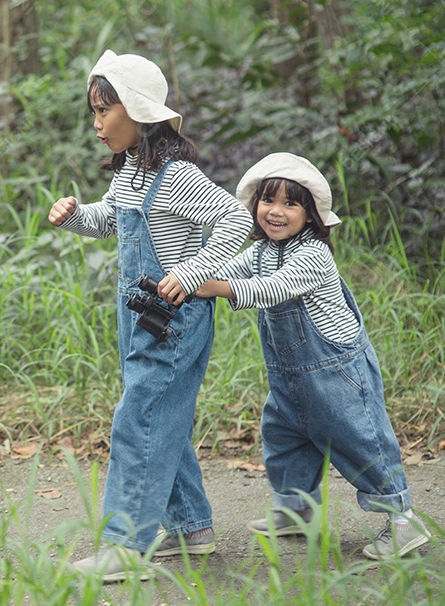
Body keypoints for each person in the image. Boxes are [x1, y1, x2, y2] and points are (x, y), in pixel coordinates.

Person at [49, 50, 252, 582]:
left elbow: (235, 218)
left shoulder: (177, 174)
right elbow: (109, 221)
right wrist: (75, 217)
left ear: (137, 112)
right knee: (162, 416)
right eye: (92, 112)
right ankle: (190, 528)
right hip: (139, 315)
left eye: (104, 111)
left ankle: (123, 545)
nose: (96, 123)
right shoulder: (134, 172)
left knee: (138, 418)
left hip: (173, 319)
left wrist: (193, 271)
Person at [197, 152, 431, 560]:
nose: (276, 211)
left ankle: (402, 518)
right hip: (290, 377)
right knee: (283, 438)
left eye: (291, 203)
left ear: (311, 216)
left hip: (336, 372)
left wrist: (218, 289)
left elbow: (273, 288)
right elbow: (233, 269)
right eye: (268, 201)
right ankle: (297, 509)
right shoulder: (262, 252)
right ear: (254, 206)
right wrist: (198, 272)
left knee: (360, 441)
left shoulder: (313, 256)